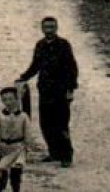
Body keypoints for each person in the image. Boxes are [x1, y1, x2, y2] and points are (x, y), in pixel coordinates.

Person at [15, 16, 79, 167]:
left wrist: (70, 89)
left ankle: (66, 156)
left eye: (52, 27)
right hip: (45, 90)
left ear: (56, 28)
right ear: (42, 29)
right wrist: (23, 77)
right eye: (46, 27)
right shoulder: (40, 45)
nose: (49, 30)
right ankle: (53, 152)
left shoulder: (64, 45)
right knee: (46, 123)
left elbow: (72, 68)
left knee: (61, 124)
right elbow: (35, 65)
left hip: (61, 91)